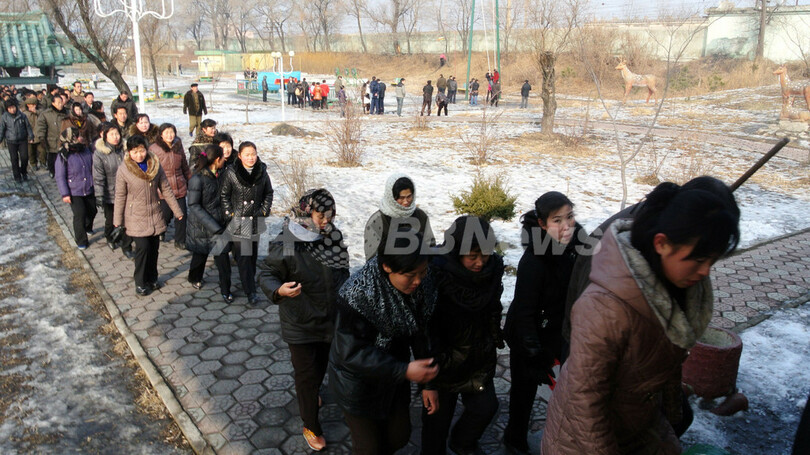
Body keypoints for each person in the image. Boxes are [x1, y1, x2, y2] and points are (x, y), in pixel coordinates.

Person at [541, 179, 741, 455]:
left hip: (634, 418)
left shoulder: (671, 276)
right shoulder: (607, 303)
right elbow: (584, 403)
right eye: (699, 260)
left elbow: (666, 358)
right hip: (584, 437)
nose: (706, 272)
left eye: (712, 260)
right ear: (663, 243)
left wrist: (669, 421)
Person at [328, 229, 438, 455]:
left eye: (423, 272)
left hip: (395, 379)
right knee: (369, 448)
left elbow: (421, 331)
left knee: (399, 436)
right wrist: (404, 370)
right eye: (410, 275)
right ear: (387, 267)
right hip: (357, 385)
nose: (418, 281)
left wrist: (428, 384)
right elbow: (350, 353)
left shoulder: (422, 285)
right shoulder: (356, 294)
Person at [258, 189, 350, 452]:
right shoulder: (287, 240)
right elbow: (267, 272)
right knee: (307, 374)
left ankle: (310, 395)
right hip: (299, 320)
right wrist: (278, 290)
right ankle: (310, 424)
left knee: (320, 367)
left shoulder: (332, 236)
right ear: (307, 214)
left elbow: (342, 270)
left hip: (329, 318)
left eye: (330, 215)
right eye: (321, 216)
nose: (326, 221)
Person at [502, 191, 584, 454]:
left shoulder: (578, 246)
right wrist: (534, 355)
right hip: (527, 335)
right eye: (557, 220)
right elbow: (524, 313)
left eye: (569, 217)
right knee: (523, 392)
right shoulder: (534, 261)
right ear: (542, 224)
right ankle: (514, 440)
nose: (566, 225)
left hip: (558, 329)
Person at [421, 216, 504, 455]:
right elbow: (426, 329)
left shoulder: (493, 269)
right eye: (472, 256)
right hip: (443, 362)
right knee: (436, 422)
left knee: (485, 408)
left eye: (485, 255)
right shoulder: (435, 273)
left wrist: (494, 333)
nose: (480, 262)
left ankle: (462, 442)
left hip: (477, 356)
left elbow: (493, 305)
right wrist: (430, 379)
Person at [114, 135, 184, 296]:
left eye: (142, 151)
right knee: (143, 248)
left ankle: (152, 278)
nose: (139, 155)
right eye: (135, 152)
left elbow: (166, 189)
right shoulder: (124, 169)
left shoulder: (155, 165)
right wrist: (117, 220)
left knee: (154, 249)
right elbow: (120, 196)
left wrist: (177, 211)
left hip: (154, 213)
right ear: (129, 152)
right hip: (135, 216)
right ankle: (140, 281)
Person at [220, 141, 274, 306]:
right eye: (247, 155)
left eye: (253, 154)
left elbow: (268, 193)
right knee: (244, 258)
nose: (251, 158)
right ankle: (250, 291)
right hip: (239, 221)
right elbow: (224, 195)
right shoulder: (231, 172)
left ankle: (250, 281)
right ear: (240, 156)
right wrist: (231, 214)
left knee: (252, 256)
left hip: (256, 219)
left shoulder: (261, 171)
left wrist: (264, 211)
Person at [186, 144, 234, 302]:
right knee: (199, 257)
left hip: (219, 226)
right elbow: (194, 205)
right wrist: (213, 226)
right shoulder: (197, 178)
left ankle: (226, 290)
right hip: (201, 225)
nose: (225, 160)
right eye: (223, 158)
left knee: (223, 260)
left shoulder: (222, 175)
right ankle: (194, 278)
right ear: (217, 159)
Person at [363, 173, 433, 261]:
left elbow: (430, 245)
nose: (406, 202)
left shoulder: (420, 216)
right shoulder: (377, 221)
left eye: (409, 196)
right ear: (392, 197)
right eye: (401, 198)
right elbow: (372, 259)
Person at [94, 122, 134, 258]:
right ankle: (110, 237)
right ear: (105, 136)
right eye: (112, 134)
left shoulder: (126, 149)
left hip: (128, 192)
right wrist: (99, 195)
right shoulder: (99, 154)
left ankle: (126, 245)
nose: (115, 137)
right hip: (110, 193)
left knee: (127, 219)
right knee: (111, 219)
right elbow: (98, 176)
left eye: (117, 134)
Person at [150, 123, 191, 249]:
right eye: (166, 132)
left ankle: (180, 241)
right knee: (165, 215)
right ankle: (161, 230)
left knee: (181, 216)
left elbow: (184, 165)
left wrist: (189, 179)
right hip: (163, 188)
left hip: (179, 186)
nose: (170, 135)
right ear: (161, 135)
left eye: (172, 132)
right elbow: (151, 170)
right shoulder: (154, 149)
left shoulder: (178, 145)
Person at [55, 127, 97, 249]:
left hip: (89, 187)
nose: (81, 138)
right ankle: (81, 240)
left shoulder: (86, 150)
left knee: (92, 210)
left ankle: (87, 227)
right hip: (74, 191)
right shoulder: (63, 155)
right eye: (78, 136)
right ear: (71, 138)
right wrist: (65, 194)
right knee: (80, 214)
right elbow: (60, 176)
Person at [34, 91, 68, 178]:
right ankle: (52, 171)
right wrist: (41, 138)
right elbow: (41, 127)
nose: (60, 104)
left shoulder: (66, 113)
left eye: (61, 102)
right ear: (53, 103)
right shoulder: (46, 114)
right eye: (58, 103)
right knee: (53, 158)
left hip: (64, 140)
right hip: (52, 140)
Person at [0, 100, 34, 182]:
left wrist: (31, 136)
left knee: (25, 157)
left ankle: (24, 172)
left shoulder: (22, 115)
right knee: (14, 159)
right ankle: (17, 176)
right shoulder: (4, 117)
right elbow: (2, 129)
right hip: (11, 141)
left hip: (22, 140)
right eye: (10, 108)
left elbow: (28, 126)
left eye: (13, 107)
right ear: (7, 109)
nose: (12, 109)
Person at [23, 97, 45, 172]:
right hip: (29, 135)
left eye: (34, 105)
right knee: (31, 152)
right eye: (31, 105)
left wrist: (36, 112)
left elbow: (43, 114)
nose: (33, 106)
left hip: (39, 135)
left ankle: (43, 162)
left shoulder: (40, 112)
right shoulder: (25, 114)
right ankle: (33, 164)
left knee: (42, 151)